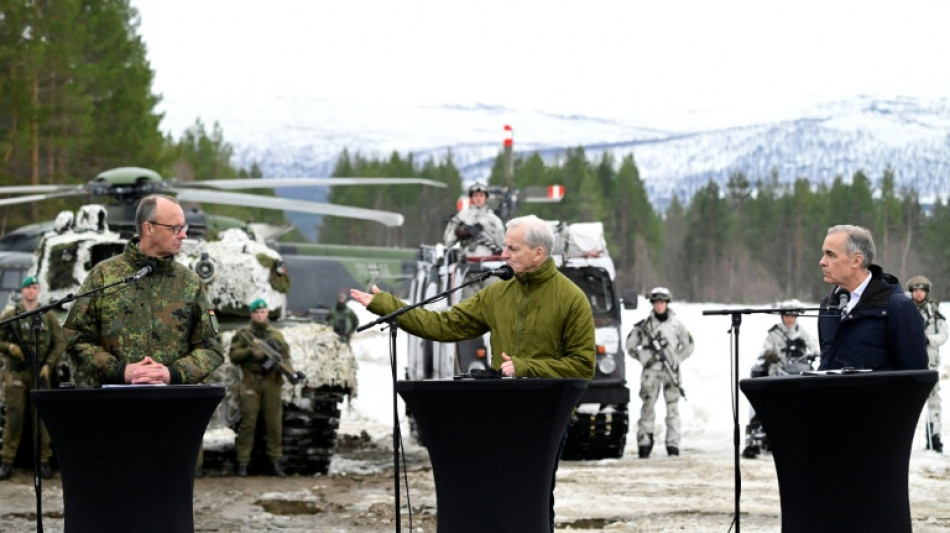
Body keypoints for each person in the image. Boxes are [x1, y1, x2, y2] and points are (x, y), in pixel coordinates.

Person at [351, 214, 594, 533]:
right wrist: (387, 305)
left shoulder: (571, 298)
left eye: (513, 248)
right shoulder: (497, 294)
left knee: (531, 500)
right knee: (495, 496)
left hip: (545, 419)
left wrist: (526, 367)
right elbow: (446, 323)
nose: (504, 254)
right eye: (505, 247)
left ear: (538, 253)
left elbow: (582, 364)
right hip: (499, 414)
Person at [63, 194, 223, 385]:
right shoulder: (104, 275)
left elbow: (212, 347)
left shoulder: (191, 282)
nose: (184, 235)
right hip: (115, 402)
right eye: (175, 228)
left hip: (173, 403)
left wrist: (173, 374)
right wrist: (119, 371)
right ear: (149, 228)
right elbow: (76, 339)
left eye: (184, 227)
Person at [817, 224, 927, 370]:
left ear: (856, 261)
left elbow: (915, 379)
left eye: (830, 254)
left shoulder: (898, 307)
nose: (822, 262)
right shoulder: (828, 305)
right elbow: (827, 364)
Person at [0, 276, 65, 480]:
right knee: (14, 417)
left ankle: (43, 460)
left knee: (42, 420)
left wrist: (49, 364)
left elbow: (59, 343)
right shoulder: (11, 315)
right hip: (17, 372)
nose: (31, 291)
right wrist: (9, 347)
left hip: (40, 372)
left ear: (38, 291)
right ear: (22, 291)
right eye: (27, 287)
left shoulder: (48, 317)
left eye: (34, 287)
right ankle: (6, 461)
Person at [741, 299, 820, 459]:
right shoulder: (774, 333)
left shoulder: (803, 333)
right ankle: (761, 438)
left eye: (792, 316)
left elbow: (815, 347)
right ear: (782, 316)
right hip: (777, 374)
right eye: (787, 316)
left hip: (797, 374)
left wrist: (811, 353)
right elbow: (765, 349)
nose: (790, 319)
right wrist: (771, 354)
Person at [626, 287, 694, 458]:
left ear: (667, 303)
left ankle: (673, 444)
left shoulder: (677, 325)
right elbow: (630, 346)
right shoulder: (644, 326)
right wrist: (645, 358)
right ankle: (645, 443)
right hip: (651, 373)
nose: (659, 306)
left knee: (672, 409)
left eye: (662, 302)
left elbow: (689, 345)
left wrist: (676, 360)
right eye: (656, 302)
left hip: (671, 373)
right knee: (647, 407)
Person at [229, 298, 293, 477]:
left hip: (272, 382)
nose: (260, 315)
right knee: (248, 423)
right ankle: (243, 462)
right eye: (256, 312)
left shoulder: (276, 335)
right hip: (251, 382)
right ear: (252, 314)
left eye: (263, 312)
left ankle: (275, 461)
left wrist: (279, 363)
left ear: (267, 313)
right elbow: (233, 355)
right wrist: (251, 352)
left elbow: (286, 356)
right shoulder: (244, 335)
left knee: (274, 424)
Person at [907, 275, 947, 452]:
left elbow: (944, 335)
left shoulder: (934, 312)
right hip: (909, 364)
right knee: (908, 403)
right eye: (915, 290)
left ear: (927, 292)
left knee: (933, 402)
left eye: (921, 290)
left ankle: (934, 436)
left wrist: (927, 339)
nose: (918, 293)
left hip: (931, 363)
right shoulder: (905, 310)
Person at [443, 182, 506, 257]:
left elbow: (503, 246)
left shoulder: (494, 220)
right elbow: (448, 241)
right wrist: (458, 234)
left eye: (481, 195)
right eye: (475, 195)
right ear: (471, 198)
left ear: (486, 197)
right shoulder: (461, 216)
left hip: (489, 261)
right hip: (466, 260)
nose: (478, 198)